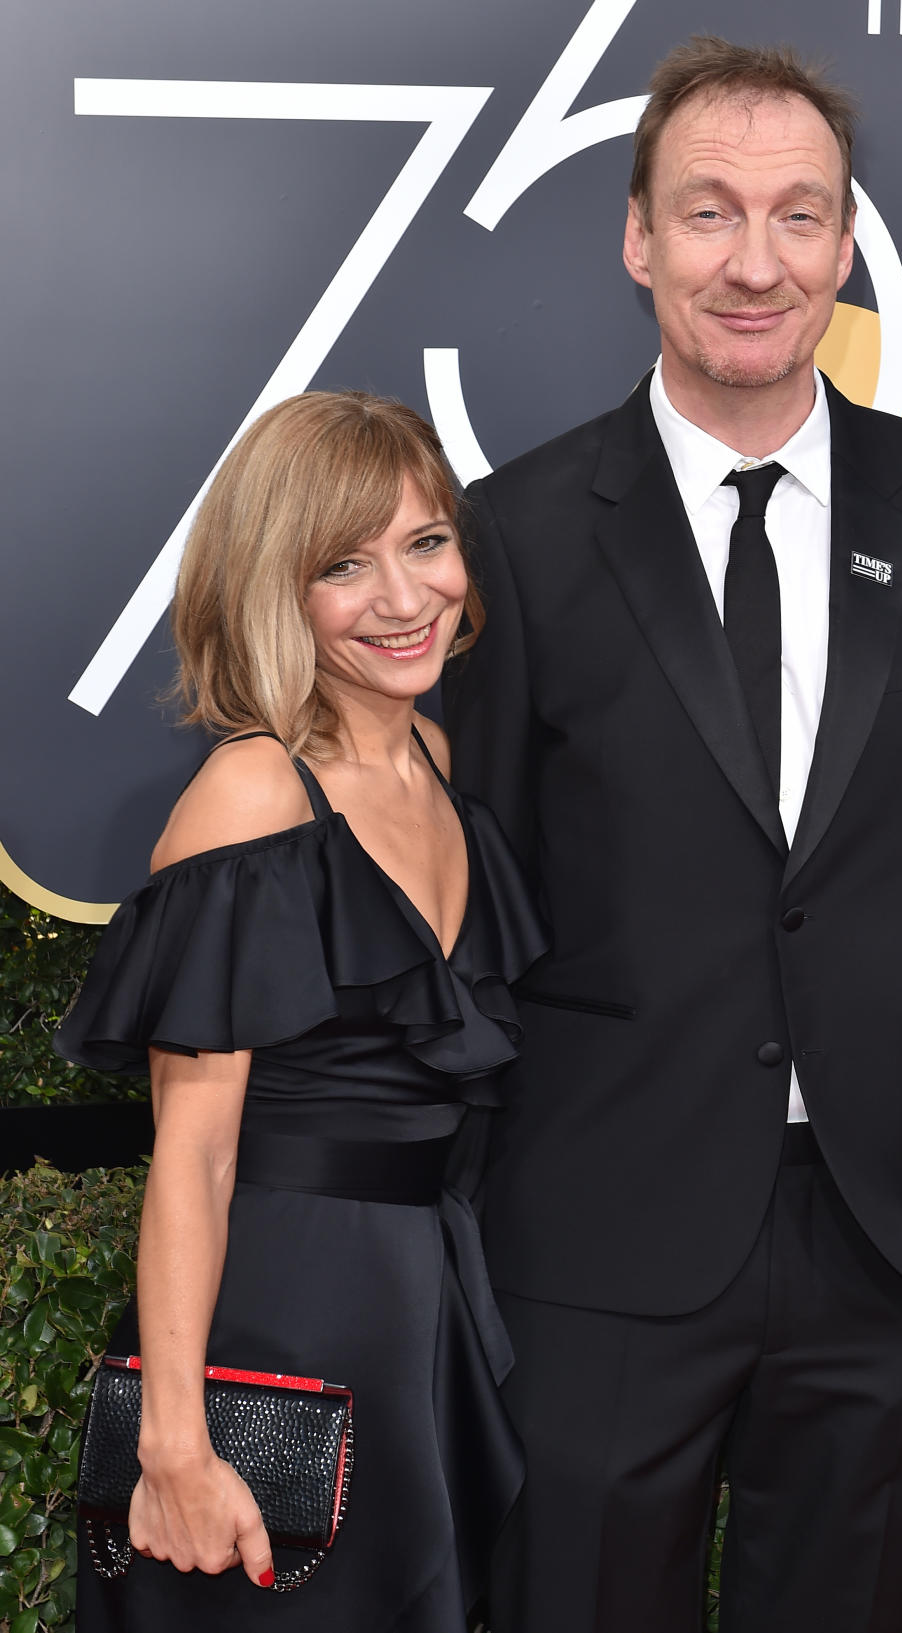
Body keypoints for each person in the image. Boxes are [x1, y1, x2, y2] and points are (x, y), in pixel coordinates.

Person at [443, 35, 902, 1633]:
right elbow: (476, 899)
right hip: (596, 1239)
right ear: (638, 238)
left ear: (845, 243)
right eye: (709, 211)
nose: (754, 260)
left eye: (797, 215)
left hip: (899, 1236)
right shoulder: (515, 533)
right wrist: (486, 1198)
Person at [56, 390, 545, 1632]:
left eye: (425, 542)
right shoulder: (253, 791)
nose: (403, 596)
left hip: (417, 1316)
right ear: (279, 590)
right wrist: (175, 1437)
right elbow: (196, 1152)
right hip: (278, 1326)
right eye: (345, 564)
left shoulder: (437, 761)